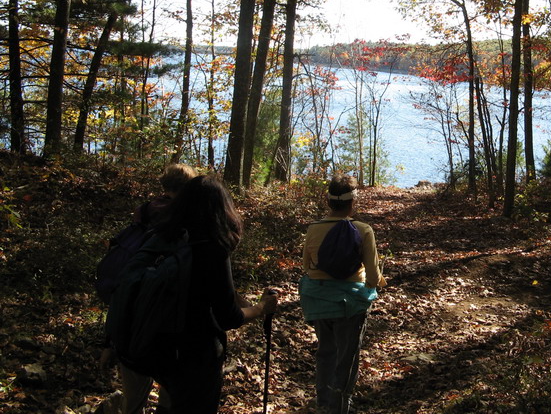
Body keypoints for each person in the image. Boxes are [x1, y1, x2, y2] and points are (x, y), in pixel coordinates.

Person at [150, 174, 278, 414]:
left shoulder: (164, 237)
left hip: (156, 344)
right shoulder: (212, 246)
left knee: (170, 404)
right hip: (195, 352)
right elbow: (229, 317)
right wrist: (261, 308)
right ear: (221, 208)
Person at [104, 163, 198, 414]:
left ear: (164, 185)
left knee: (134, 396)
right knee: (170, 394)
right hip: (170, 322)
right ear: (190, 187)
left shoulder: (145, 211)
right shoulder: (190, 218)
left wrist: (109, 339)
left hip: (131, 314)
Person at [299, 174, 387, 414]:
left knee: (325, 352)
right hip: (351, 305)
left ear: (328, 201)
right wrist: (377, 282)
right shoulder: (363, 229)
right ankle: (339, 407)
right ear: (353, 202)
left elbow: (307, 267)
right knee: (346, 360)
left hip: (318, 302)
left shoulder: (313, 229)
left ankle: (323, 403)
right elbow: (371, 276)